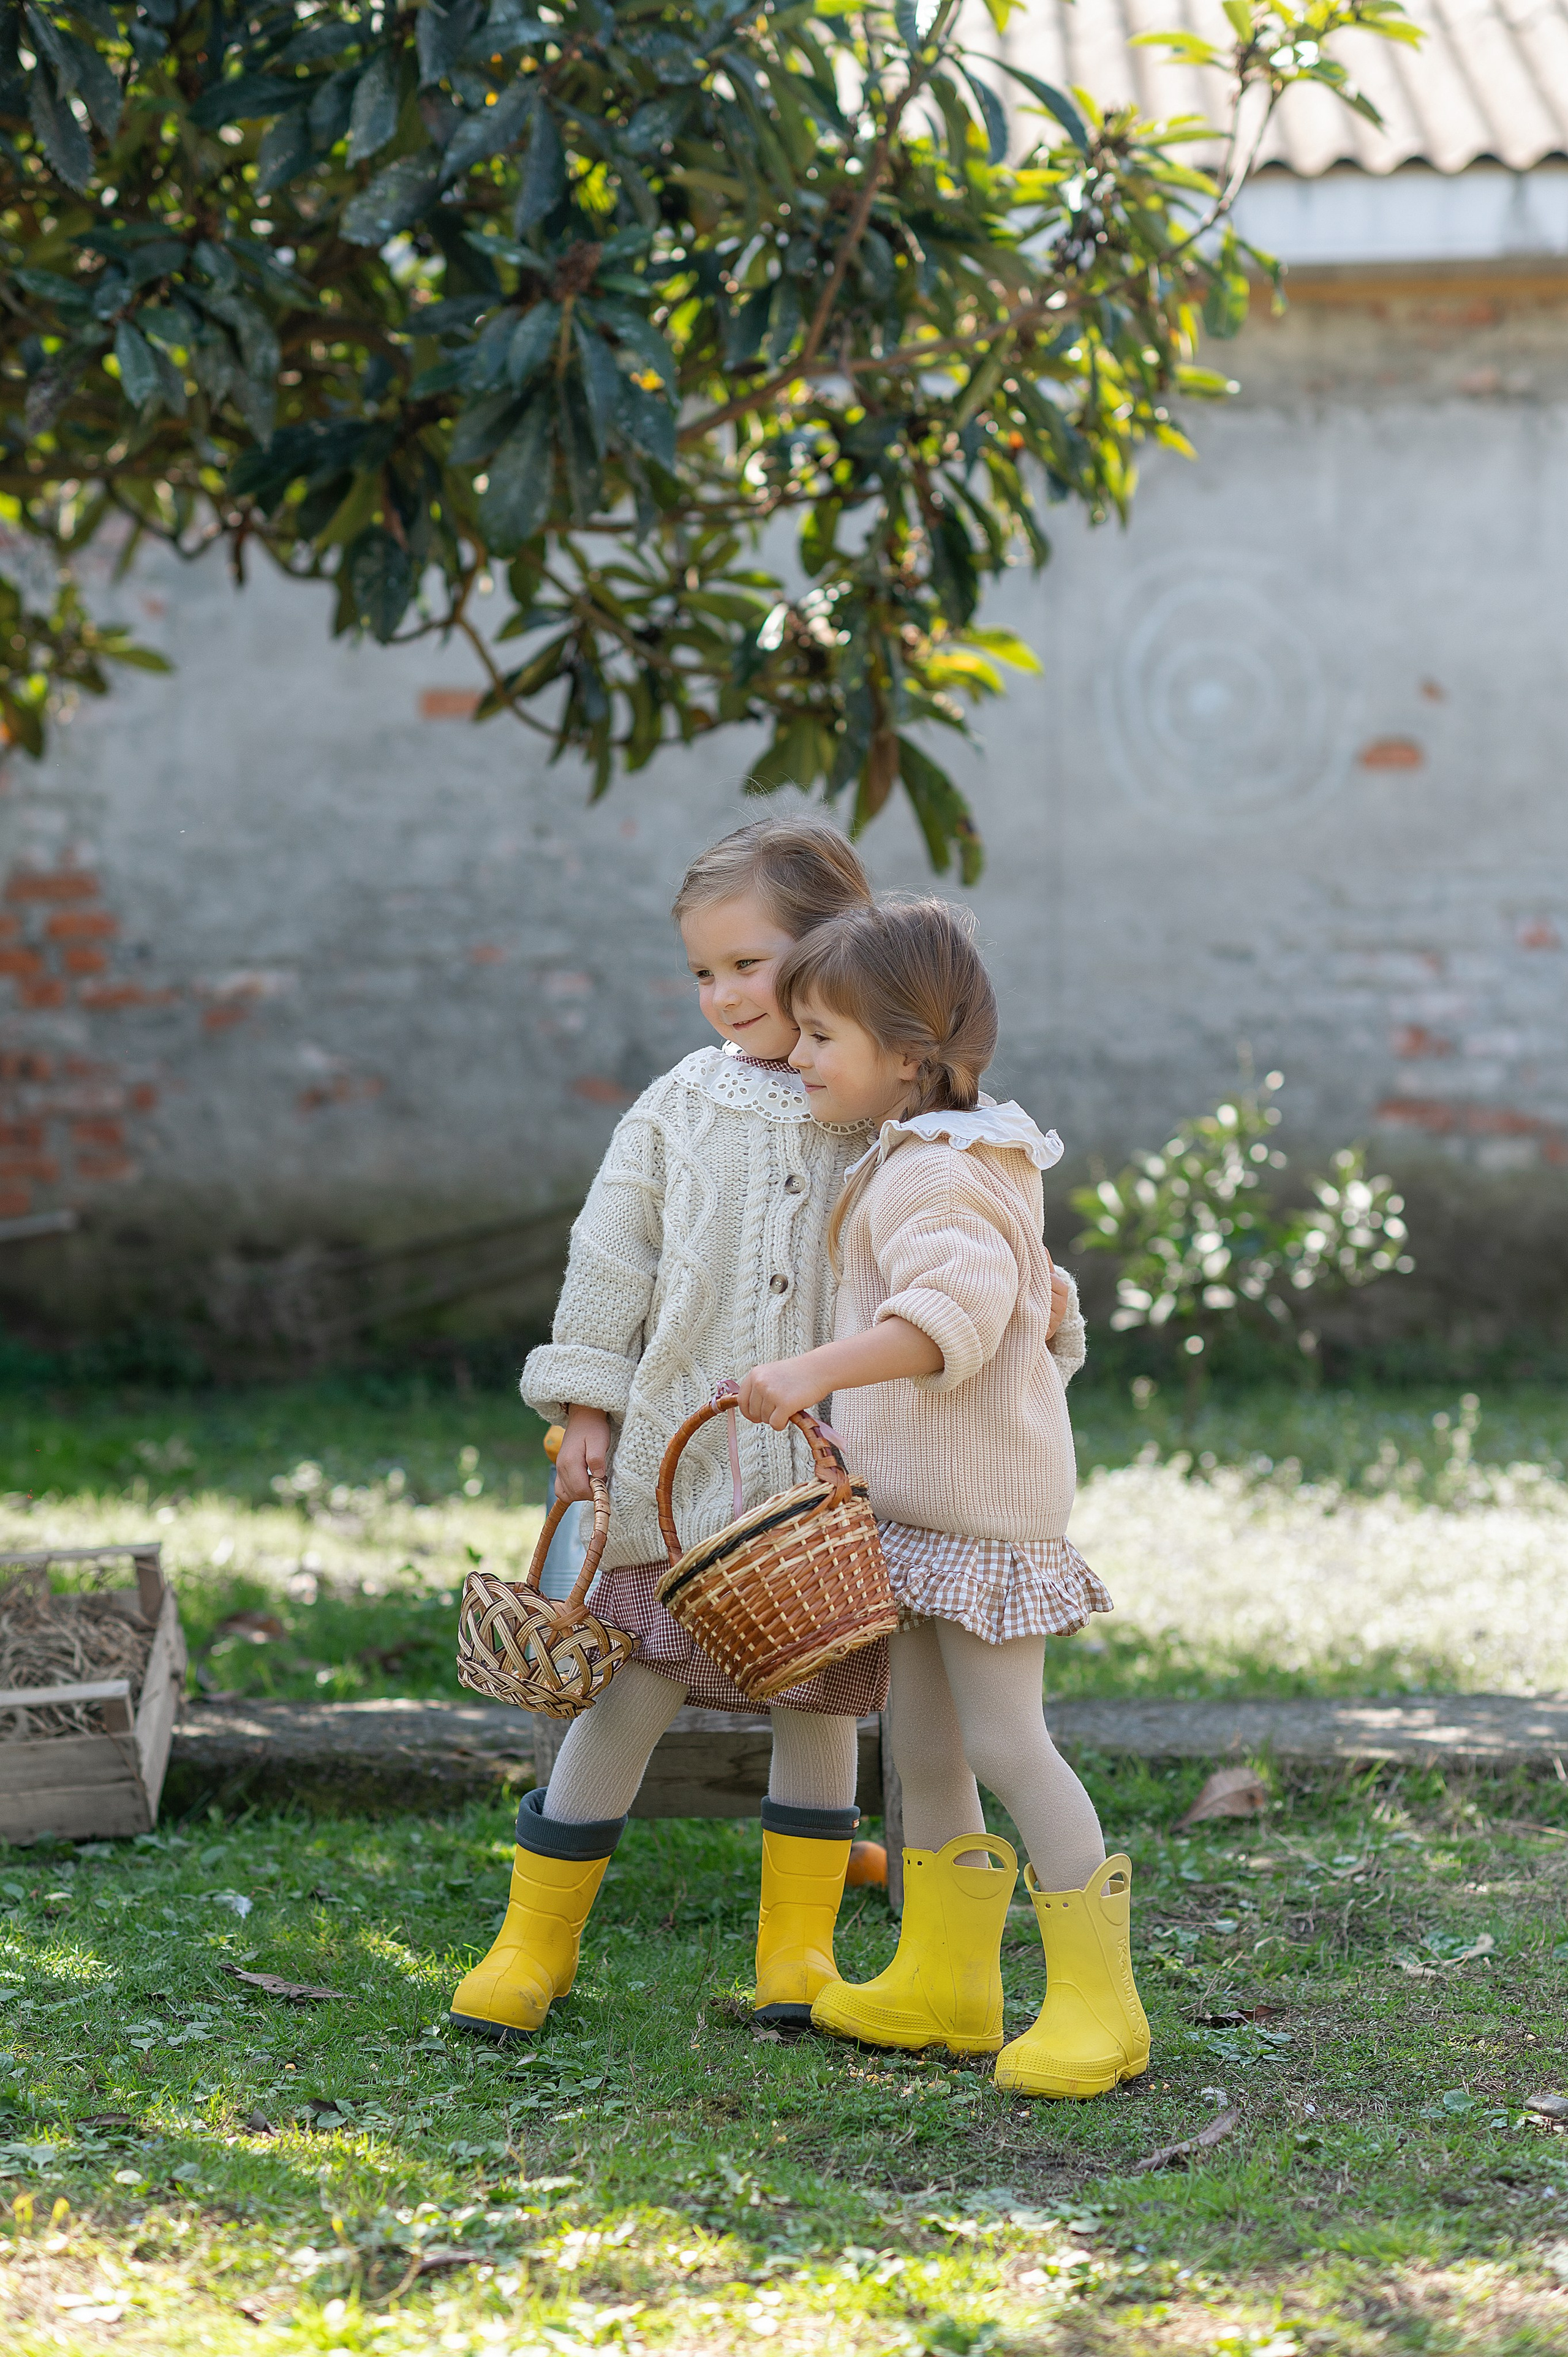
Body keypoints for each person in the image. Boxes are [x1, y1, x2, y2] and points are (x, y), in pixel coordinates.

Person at [450, 817, 888, 2041]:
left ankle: (795, 1950)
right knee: (626, 1685)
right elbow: (609, 1261)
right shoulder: (675, 1108)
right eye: (703, 971)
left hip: (816, 1482)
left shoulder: (869, 1095)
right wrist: (587, 1404)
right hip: (671, 1468)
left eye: (748, 963)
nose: (723, 994)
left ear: (832, 944)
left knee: (816, 1693)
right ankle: (532, 1942)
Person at [733, 899, 1148, 2099]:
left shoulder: (938, 1175)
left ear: (907, 1056)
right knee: (919, 1748)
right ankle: (942, 1980)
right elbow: (1036, 1300)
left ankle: (1098, 2006)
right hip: (919, 1514)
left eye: (819, 1035)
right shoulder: (943, 1155)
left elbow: (948, 1318)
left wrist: (810, 1370)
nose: (794, 1054)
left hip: (976, 1522)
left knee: (1009, 1743)